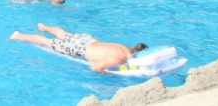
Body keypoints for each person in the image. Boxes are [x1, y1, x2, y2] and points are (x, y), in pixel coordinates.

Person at [9, 23, 147, 73]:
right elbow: (95, 68)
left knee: (65, 35)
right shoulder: (119, 59)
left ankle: (44, 27)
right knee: (47, 42)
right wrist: (110, 74)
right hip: (80, 48)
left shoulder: (125, 47)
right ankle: (18, 36)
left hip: (88, 39)